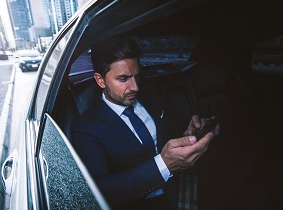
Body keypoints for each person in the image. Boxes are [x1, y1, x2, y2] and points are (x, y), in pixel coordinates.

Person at [72, 36, 219, 210]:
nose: (135, 87)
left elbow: (163, 139)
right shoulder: (86, 128)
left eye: (137, 76)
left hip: (178, 188)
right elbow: (100, 191)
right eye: (123, 79)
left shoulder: (150, 96)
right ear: (100, 80)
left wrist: (187, 134)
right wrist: (164, 165)